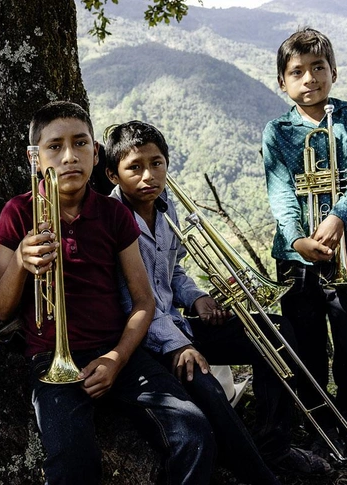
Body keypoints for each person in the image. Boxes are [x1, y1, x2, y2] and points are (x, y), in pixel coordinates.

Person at [0, 101, 218, 484]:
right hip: (50, 360)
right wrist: (20, 261)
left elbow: (143, 300)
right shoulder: (18, 211)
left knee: (193, 432)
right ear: (34, 157)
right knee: (70, 458)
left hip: (117, 352)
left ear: (95, 153)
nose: (69, 157)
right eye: (54, 147)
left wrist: (116, 358)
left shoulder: (113, 214)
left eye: (80, 144)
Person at [104, 120, 330, 478]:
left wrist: (197, 299)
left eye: (157, 163)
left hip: (178, 324)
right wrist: (179, 344)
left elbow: (173, 270)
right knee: (206, 385)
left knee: (276, 331)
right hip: (147, 342)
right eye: (134, 167)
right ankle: (258, 472)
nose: (148, 175)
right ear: (113, 175)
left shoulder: (166, 207)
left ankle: (274, 446)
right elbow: (131, 301)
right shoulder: (111, 220)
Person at [262, 27, 347, 473]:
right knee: (307, 346)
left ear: (334, 71)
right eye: (297, 72)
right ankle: (319, 428)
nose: (309, 78)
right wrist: (298, 239)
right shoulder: (276, 131)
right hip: (296, 255)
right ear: (282, 82)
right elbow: (280, 192)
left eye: (318, 68)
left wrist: (335, 220)